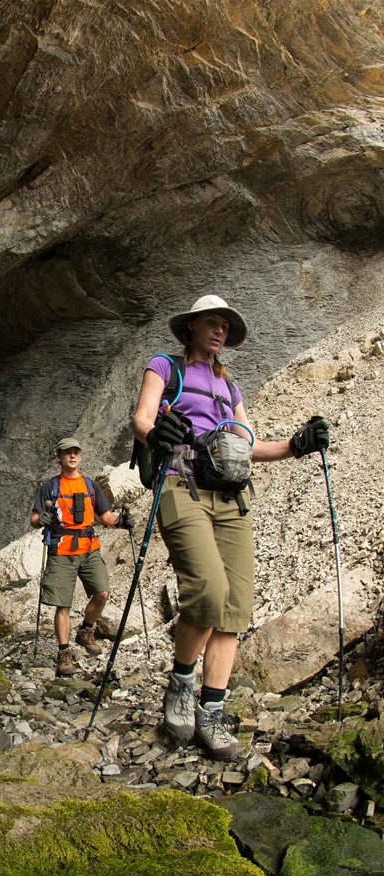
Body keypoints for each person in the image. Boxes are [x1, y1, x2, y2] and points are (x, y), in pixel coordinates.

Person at [133, 294, 329, 760]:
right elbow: (143, 420)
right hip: (182, 486)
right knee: (207, 589)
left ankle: (211, 712)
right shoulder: (165, 368)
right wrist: (156, 434)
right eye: (211, 323)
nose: (219, 331)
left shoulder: (230, 387)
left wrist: (296, 444)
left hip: (232, 495)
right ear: (192, 327)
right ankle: (182, 681)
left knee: (236, 606)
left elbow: (249, 444)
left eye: (225, 325)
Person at [30, 437, 135, 677]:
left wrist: (122, 522)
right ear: (59, 457)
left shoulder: (90, 485)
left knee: (102, 592)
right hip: (62, 550)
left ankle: (86, 630)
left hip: (89, 549)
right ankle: (64, 652)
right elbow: (34, 519)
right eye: (67, 453)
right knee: (63, 604)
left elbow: (106, 517)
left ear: (81, 456)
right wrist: (41, 520)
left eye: (76, 452)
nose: (73, 456)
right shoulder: (50, 487)